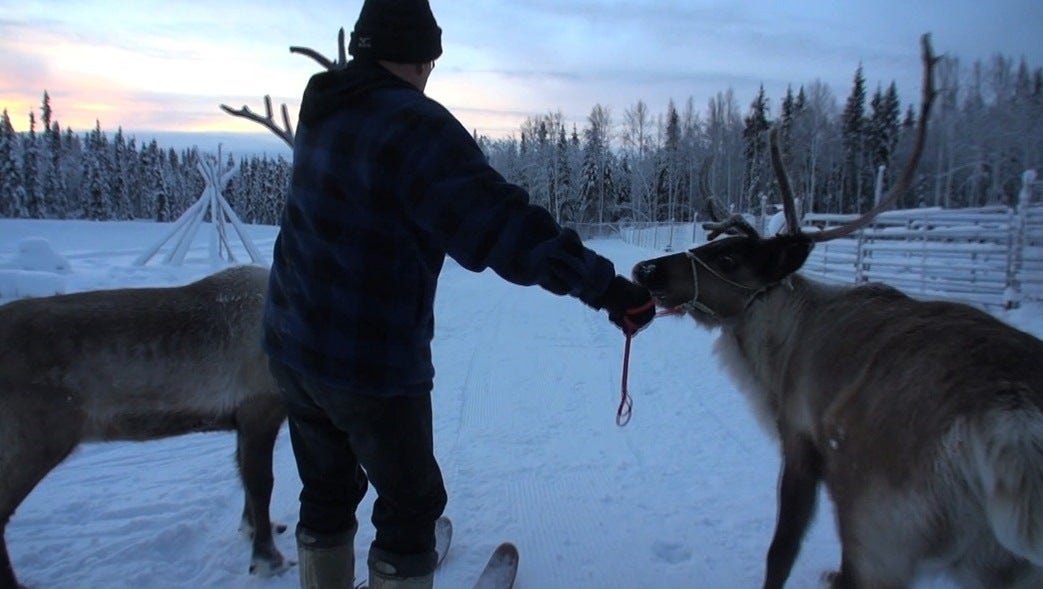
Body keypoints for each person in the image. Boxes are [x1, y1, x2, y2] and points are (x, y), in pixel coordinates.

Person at [261, 1, 655, 587]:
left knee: (326, 488)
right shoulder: (416, 126)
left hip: (292, 347)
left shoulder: (325, 107)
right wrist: (606, 288)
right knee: (412, 504)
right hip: (368, 367)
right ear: (423, 57)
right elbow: (502, 225)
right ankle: (400, 567)